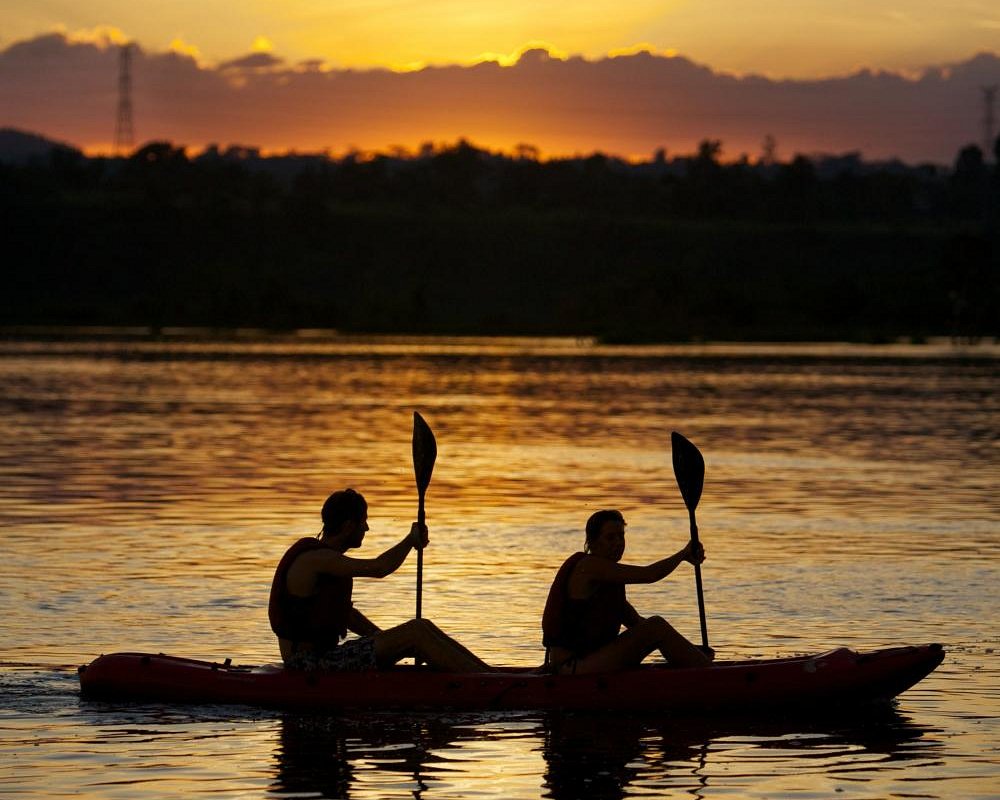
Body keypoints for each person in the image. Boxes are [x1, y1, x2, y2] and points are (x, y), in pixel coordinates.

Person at [269, 488, 489, 672]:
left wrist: (387, 640)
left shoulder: (328, 562)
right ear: (348, 526)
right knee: (416, 632)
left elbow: (346, 616)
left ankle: (487, 675)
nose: (366, 528)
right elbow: (379, 568)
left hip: (325, 658)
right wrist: (410, 541)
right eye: (363, 522)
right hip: (309, 665)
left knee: (421, 628)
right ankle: (486, 683)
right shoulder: (317, 559)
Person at [541, 509, 713, 674]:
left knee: (655, 627)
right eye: (610, 538)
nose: (618, 543)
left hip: (589, 660)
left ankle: (704, 668)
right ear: (592, 542)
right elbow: (650, 575)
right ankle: (711, 676)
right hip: (572, 666)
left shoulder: (609, 583)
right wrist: (683, 554)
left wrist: (688, 649)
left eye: (621, 536)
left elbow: (637, 624)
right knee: (656, 625)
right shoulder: (589, 566)